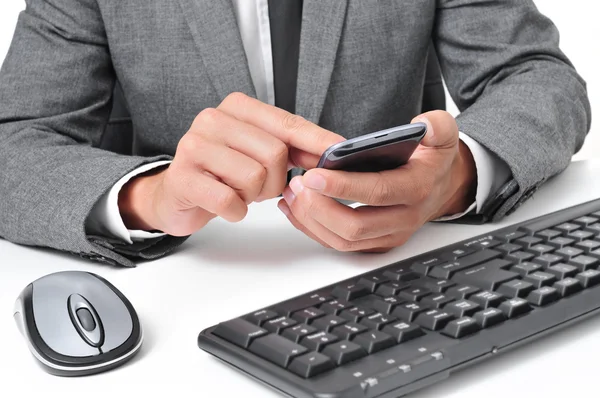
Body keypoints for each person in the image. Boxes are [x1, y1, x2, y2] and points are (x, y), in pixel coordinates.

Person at [0, 0, 591, 268]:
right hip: (188, 286)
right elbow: (12, 143)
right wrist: (145, 198)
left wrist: (457, 174)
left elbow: (539, 79)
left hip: (407, 278)